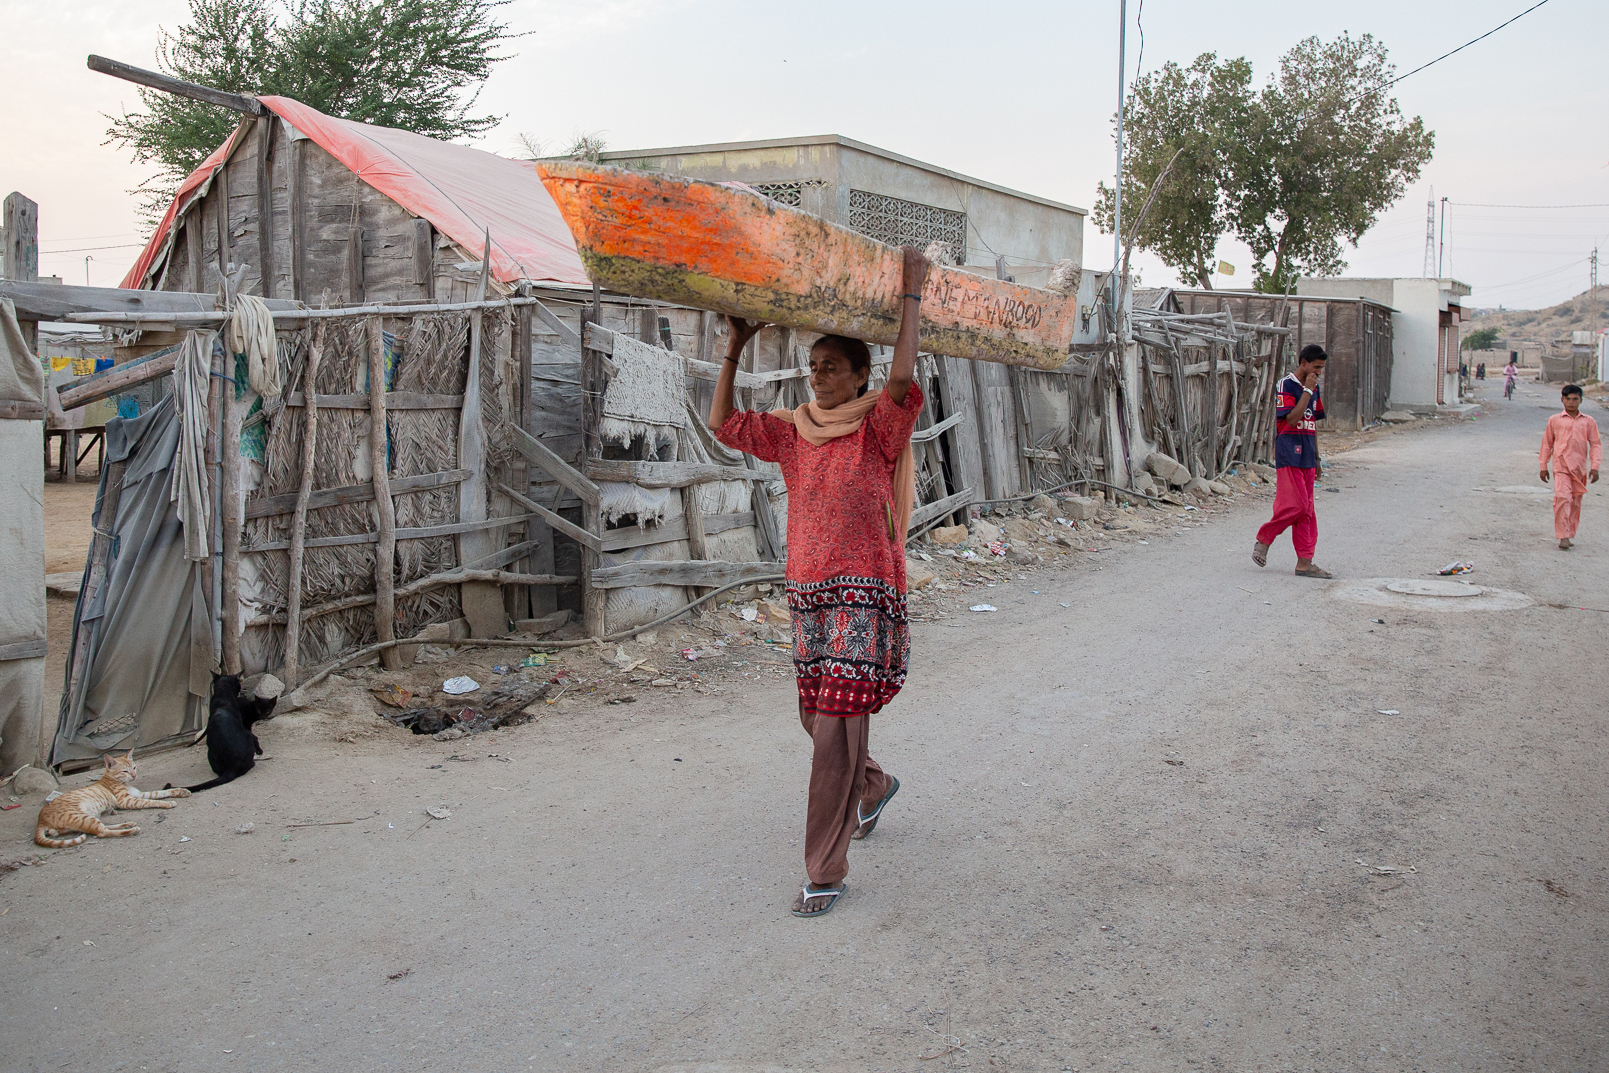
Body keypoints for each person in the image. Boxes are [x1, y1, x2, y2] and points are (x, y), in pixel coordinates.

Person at [708, 246, 928, 918]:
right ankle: (874, 784)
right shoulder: (793, 432)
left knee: (832, 726)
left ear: (860, 373)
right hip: (808, 593)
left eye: (833, 366)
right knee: (813, 714)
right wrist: (734, 348)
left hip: (862, 594)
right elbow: (722, 425)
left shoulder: (878, 429)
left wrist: (910, 298)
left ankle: (824, 869)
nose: (819, 376)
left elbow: (900, 380)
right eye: (813, 366)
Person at [1252, 344, 1332, 578]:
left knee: (1307, 511)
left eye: (1322, 368)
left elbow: (1312, 424)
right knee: (1295, 506)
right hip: (1289, 452)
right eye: (1316, 367)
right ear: (1304, 363)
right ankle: (1264, 538)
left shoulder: (1313, 387)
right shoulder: (1286, 385)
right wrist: (1307, 391)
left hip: (1307, 454)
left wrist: (1317, 457)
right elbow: (1293, 419)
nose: (1319, 372)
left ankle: (1305, 563)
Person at [1539, 384, 1601, 550]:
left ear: (1581, 400)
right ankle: (1563, 536)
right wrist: (1543, 465)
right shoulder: (1555, 420)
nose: (1571, 402)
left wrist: (1595, 466)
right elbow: (1547, 443)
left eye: (1575, 399)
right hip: (1561, 466)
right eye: (1568, 399)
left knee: (1575, 502)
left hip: (1579, 468)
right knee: (1562, 498)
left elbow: (1595, 444)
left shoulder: (1588, 421)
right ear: (1562, 400)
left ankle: (1570, 532)